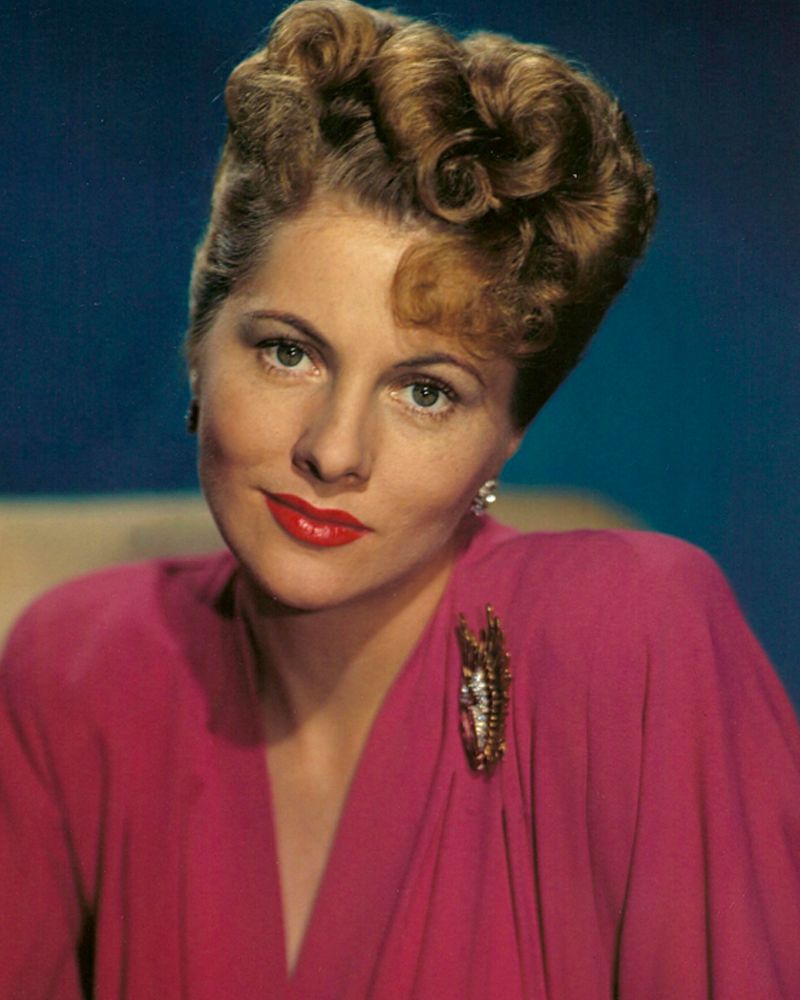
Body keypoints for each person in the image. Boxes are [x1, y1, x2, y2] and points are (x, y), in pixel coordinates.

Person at [1, 0, 798, 996]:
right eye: (287, 352)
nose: (334, 451)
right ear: (199, 348)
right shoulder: (80, 668)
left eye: (426, 392)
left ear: (506, 435)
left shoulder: (633, 632)